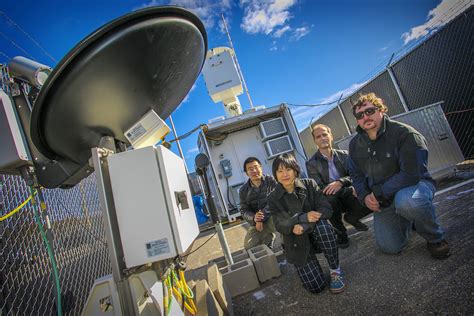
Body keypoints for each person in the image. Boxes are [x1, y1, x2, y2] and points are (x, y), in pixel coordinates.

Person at [348, 92, 451, 259]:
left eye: (370, 111)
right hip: (384, 198)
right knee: (390, 247)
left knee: (409, 202)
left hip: (415, 187)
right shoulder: (354, 145)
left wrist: (378, 193)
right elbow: (356, 175)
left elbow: (411, 174)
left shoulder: (404, 133)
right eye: (360, 115)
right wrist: (365, 196)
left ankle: (435, 239)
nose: (365, 117)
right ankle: (411, 220)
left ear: (381, 110)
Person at [267, 153, 345, 294]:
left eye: (288, 169)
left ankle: (335, 271)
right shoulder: (273, 198)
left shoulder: (309, 184)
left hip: (316, 232)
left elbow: (325, 209)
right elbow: (280, 225)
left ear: (295, 170)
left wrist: (304, 224)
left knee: (324, 228)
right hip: (296, 241)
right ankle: (311, 268)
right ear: (275, 175)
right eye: (280, 171)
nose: (285, 174)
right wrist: (301, 217)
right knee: (315, 287)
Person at [306, 124, 372, 248]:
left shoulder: (344, 155)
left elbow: (356, 174)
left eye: (325, 134)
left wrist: (341, 182)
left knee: (369, 192)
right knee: (329, 199)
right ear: (315, 141)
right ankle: (341, 233)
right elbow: (320, 187)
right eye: (318, 136)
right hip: (333, 198)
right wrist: (346, 188)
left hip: (347, 191)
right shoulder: (311, 163)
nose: (322, 138)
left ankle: (352, 217)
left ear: (330, 136)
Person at [239, 157, 277, 250]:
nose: (254, 171)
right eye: (250, 169)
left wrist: (260, 217)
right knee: (249, 246)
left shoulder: (271, 180)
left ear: (261, 167)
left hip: (273, 216)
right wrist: (254, 218)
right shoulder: (243, 190)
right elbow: (243, 210)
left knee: (284, 225)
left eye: (256, 167)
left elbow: (276, 200)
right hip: (257, 221)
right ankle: (268, 239)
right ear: (246, 173)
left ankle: (286, 244)